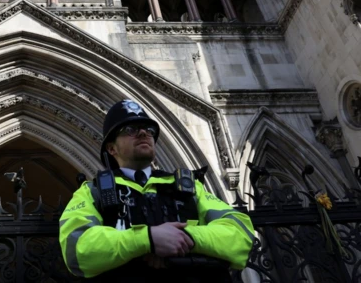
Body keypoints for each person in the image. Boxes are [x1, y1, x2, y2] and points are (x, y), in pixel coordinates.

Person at [59, 99, 254, 282]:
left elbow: (240, 234)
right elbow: (77, 248)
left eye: (149, 129)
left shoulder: (189, 186)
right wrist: (148, 240)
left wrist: (185, 239)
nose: (143, 133)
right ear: (111, 148)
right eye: (130, 129)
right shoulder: (92, 192)